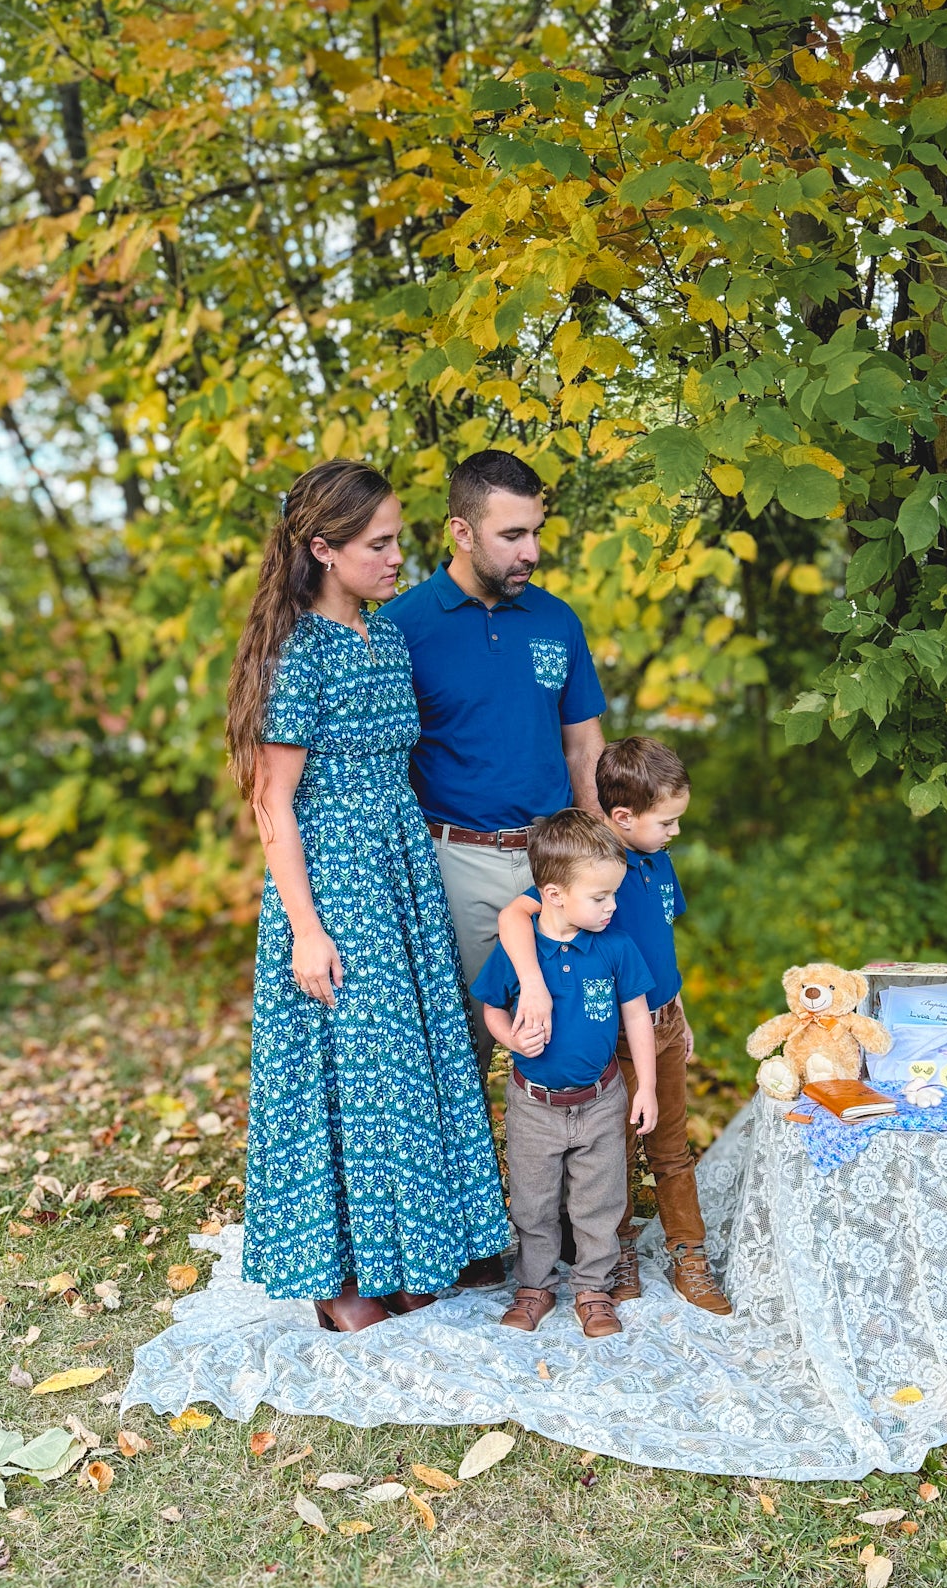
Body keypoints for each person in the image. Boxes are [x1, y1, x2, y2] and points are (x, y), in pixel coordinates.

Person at [224, 460, 510, 1333]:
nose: (396, 558)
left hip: (401, 871)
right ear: (323, 549)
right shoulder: (297, 650)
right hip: (335, 880)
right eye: (378, 545)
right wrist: (305, 931)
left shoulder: (383, 636)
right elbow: (271, 804)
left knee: (407, 1066)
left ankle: (409, 1251)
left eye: (397, 540)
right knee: (347, 1069)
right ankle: (338, 1275)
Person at [381, 449, 606, 1078]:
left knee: (575, 1027)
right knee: (461, 1042)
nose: (530, 551)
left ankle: (565, 1145)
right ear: (461, 531)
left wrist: (597, 855)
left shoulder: (557, 620)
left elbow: (584, 746)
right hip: (453, 862)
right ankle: (469, 1147)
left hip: (554, 857)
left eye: (536, 531)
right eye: (511, 535)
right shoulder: (399, 628)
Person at [497, 736, 732, 1315]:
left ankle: (689, 1254)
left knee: (672, 1148)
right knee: (613, 1155)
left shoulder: (658, 862)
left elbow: (661, 945)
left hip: (663, 1023)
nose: (675, 831)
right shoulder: (589, 873)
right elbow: (516, 913)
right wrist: (531, 982)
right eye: (667, 822)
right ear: (624, 817)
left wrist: (679, 1008)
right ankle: (616, 1253)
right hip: (617, 1034)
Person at [471, 811, 657, 1340]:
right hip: (535, 1105)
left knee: (599, 1201)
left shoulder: (615, 947)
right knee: (534, 1202)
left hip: (600, 1099)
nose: (612, 906)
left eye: (613, 894)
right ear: (552, 894)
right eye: (600, 897)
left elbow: (636, 1017)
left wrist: (646, 1086)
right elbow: (492, 1008)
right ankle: (535, 1285)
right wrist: (510, 1040)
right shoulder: (519, 951)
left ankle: (593, 1287)